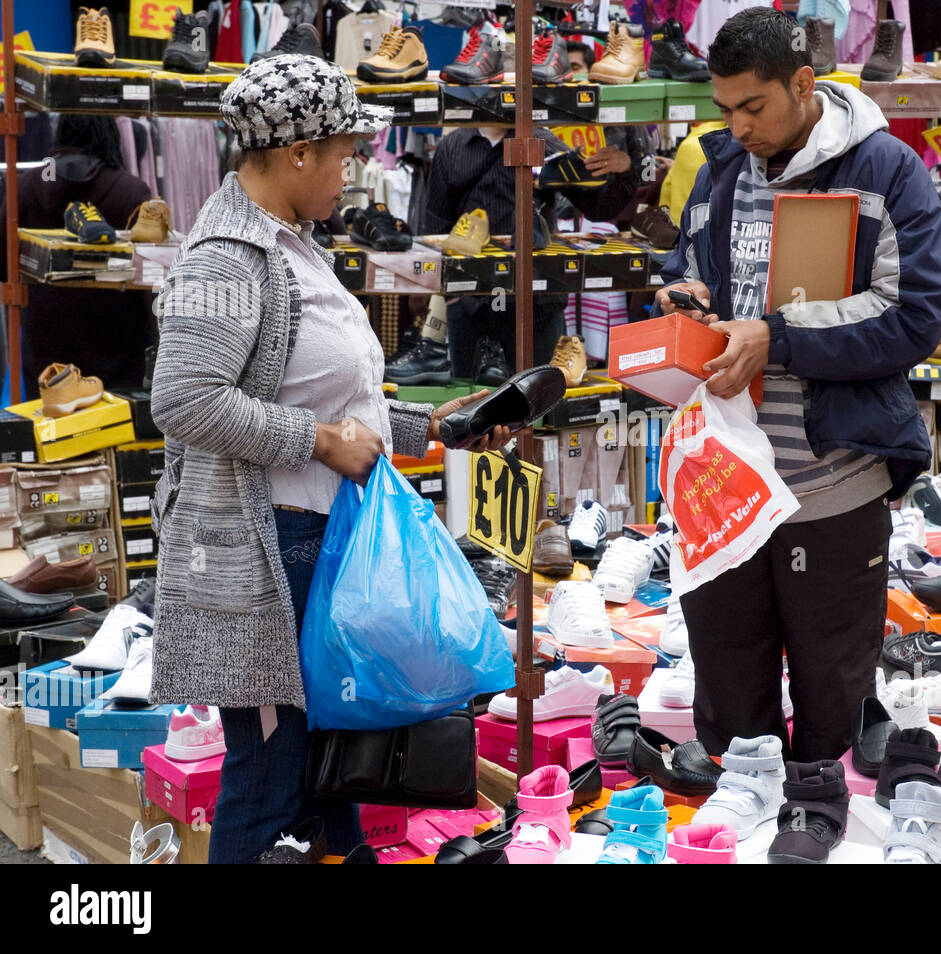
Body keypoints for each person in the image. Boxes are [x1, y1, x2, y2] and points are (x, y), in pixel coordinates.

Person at [148, 55, 508, 864]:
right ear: (300, 151)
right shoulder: (225, 256)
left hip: (315, 544)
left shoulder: (292, 244)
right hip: (266, 559)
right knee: (272, 784)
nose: (354, 169)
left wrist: (430, 429)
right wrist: (318, 443)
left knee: (327, 777)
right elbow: (183, 399)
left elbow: (332, 400)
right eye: (346, 152)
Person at [654, 7, 941, 762]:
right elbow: (689, 267)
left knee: (834, 720)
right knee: (732, 724)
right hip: (722, 488)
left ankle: (823, 827)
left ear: (804, 83)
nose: (739, 124)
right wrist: (684, 298)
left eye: (753, 105)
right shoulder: (718, 168)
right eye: (724, 108)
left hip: (831, 486)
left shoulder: (885, 171)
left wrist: (776, 337)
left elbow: (914, 317)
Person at [425, 124, 647, 382]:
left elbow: (597, 207)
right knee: (468, 406)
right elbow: (436, 225)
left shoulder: (542, 141)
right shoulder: (453, 146)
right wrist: (454, 297)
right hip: (471, 304)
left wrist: (626, 170)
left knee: (539, 403)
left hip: (538, 302)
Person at [0, 115, 154, 396]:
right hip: (117, 337)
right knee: (116, 426)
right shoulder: (130, 190)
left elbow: (3, 262)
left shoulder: (28, 184)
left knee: (50, 426)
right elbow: (153, 270)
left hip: (46, 337)